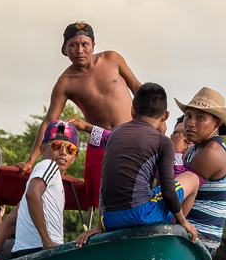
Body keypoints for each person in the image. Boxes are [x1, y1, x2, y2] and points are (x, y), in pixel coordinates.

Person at [14, 22, 140, 208]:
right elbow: (50, 121)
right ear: (64, 49)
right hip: (99, 141)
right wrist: (31, 160)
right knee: (97, 194)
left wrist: (157, 119)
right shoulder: (66, 82)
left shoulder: (112, 59)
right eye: (73, 45)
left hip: (131, 135)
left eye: (84, 44)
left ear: (93, 45)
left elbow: (138, 88)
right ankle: (101, 231)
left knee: (139, 186)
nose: (79, 50)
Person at [76, 83, 198, 246]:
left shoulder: (115, 134)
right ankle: (173, 233)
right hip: (141, 216)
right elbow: (168, 190)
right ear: (166, 115)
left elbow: (105, 182)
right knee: (192, 179)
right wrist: (184, 222)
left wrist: (100, 225)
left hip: (110, 219)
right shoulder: (163, 142)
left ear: (132, 110)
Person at [0, 121, 79, 260]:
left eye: (70, 149)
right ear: (42, 150)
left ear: (75, 157)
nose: (63, 152)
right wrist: (47, 241)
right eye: (56, 146)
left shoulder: (44, 178)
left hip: (24, 252)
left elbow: (12, 218)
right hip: (41, 250)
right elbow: (32, 194)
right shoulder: (49, 165)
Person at [174, 87, 226, 255]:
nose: (191, 123)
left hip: (199, 238)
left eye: (200, 117)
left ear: (217, 124)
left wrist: (176, 153)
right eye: (188, 116)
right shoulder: (196, 148)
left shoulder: (212, 152)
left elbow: (176, 191)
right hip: (185, 231)